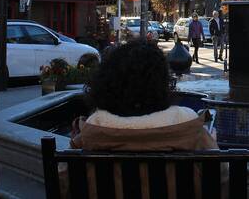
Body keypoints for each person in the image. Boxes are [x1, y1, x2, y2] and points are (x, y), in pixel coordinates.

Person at [68, 41, 219, 196]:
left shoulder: (94, 128)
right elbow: (220, 178)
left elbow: (65, 182)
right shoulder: (187, 124)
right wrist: (210, 141)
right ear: (163, 82)